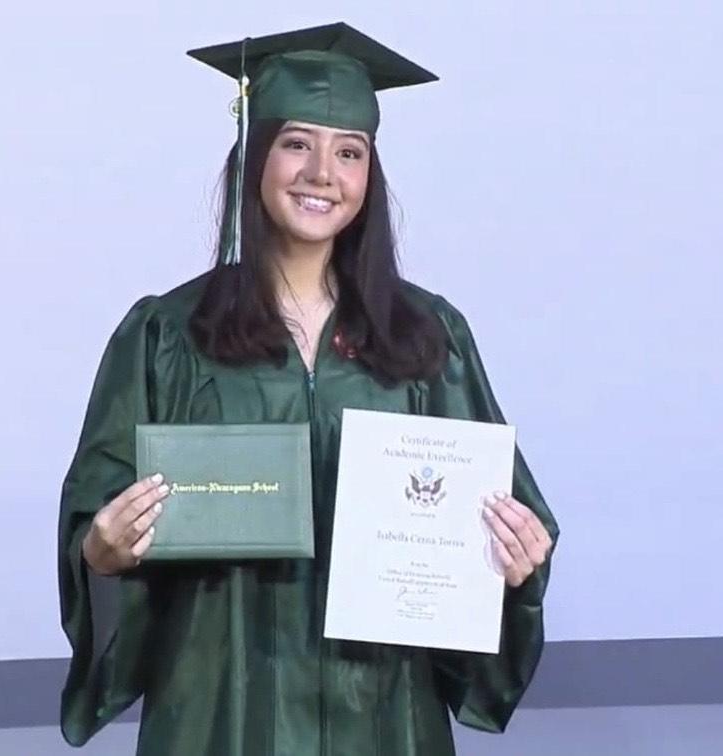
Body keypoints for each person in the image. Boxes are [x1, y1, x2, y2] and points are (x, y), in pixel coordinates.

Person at [58, 22, 559, 756]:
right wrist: (99, 551)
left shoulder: (427, 335)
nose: (322, 172)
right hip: (218, 706)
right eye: (297, 143)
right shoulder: (165, 334)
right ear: (255, 155)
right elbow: (93, 518)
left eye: (348, 152)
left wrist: (514, 564)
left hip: (382, 705)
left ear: (369, 177)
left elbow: (496, 507)